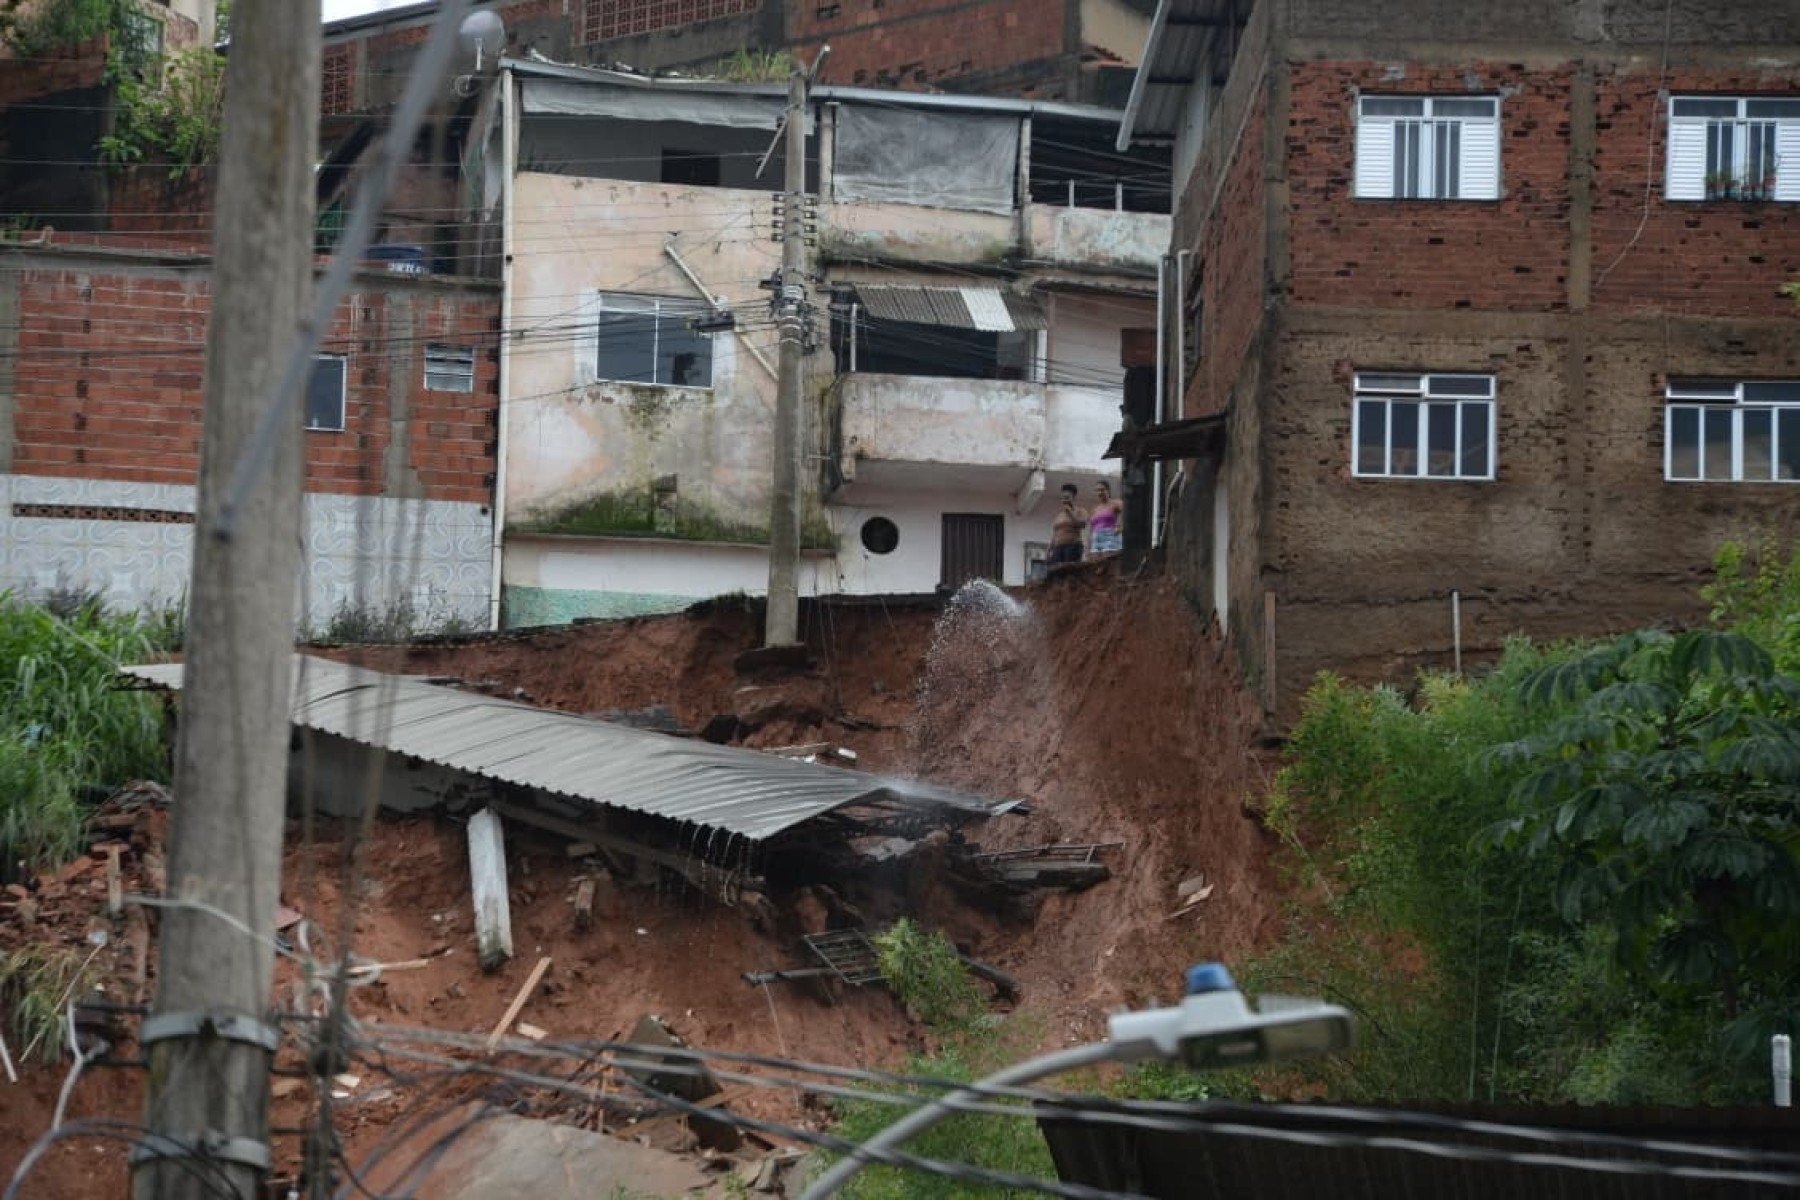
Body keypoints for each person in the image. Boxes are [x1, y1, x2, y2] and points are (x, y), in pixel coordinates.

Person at [1049, 483, 1086, 566]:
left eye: (1067, 498)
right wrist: (1050, 549)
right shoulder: (1059, 515)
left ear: (1074, 498)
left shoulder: (1080, 511)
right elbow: (1055, 534)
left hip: (1072, 546)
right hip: (1058, 548)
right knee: (1056, 571)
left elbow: (1082, 524)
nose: (1064, 501)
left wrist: (1070, 512)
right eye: (1062, 498)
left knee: (1069, 570)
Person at [1088, 481, 1123, 555]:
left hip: (1109, 535)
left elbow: (1126, 513)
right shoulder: (1095, 509)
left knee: (1109, 559)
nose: (1100, 492)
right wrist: (1088, 546)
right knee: (1095, 561)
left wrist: (1120, 526)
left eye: (1102, 490)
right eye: (1097, 490)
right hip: (1096, 538)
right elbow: (1091, 528)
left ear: (1108, 490)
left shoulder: (1116, 503)